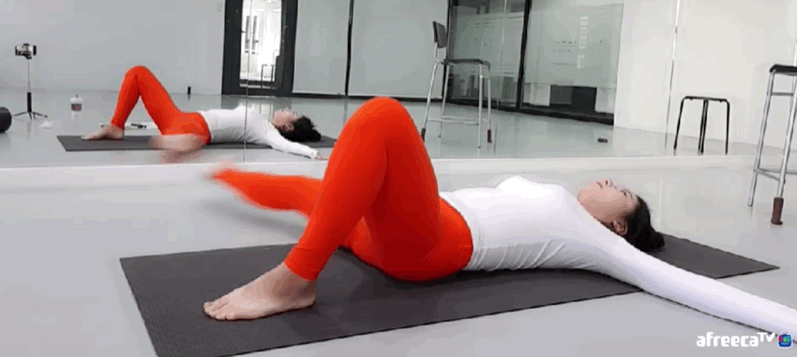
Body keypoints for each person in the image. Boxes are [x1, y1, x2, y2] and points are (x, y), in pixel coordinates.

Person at [201, 97, 797, 333]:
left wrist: (786, 323)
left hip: (429, 245)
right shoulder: (563, 201)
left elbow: (678, 282)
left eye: (622, 192)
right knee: (311, 192)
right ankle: (220, 173)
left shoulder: (596, 241)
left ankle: (296, 279)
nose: (610, 181)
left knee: (381, 117)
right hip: (401, 230)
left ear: (619, 224)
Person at [82, 65, 325, 161]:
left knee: (192, 136)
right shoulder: (262, 123)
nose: (285, 109)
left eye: (291, 113)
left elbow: (284, 145)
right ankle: (116, 126)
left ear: (288, 126)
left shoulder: (266, 131)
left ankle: (187, 143)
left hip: (197, 128)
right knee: (138, 73)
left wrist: (312, 153)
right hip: (180, 119)